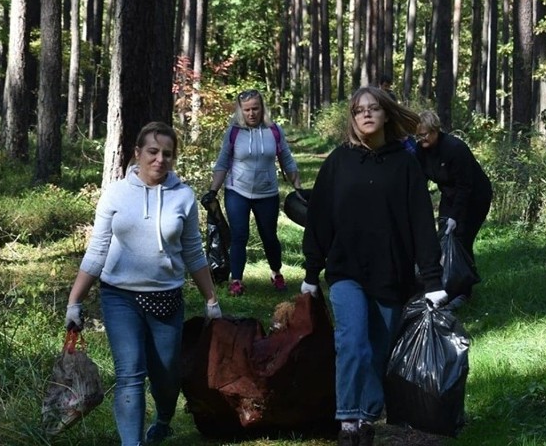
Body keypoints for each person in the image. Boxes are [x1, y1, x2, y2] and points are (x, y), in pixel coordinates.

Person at [300, 87, 447, 446]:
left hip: (391, 272)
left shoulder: (406, 163)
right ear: (352, 119)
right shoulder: (338, 162)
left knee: (378, 350)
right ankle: (347, 421)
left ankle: (367, 417)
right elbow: (320, 218)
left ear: (385, 115)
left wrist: (432, 280)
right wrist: (310, 273)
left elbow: (421, 222)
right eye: (358, 110)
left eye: (373, 109)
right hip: (345, 269)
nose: (366, 115)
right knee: (352, 342)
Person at [64, 121, 222, 446]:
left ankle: (163, 418)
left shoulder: (184, 196)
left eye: (167, 153)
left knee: (165, 376)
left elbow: (193, 252)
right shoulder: (116, 194)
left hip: (166, 298)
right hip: (119, 297)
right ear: (138, 153)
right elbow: (97, 251)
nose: (159, 159)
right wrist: (74, 301)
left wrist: (211, 300)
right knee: (130, 374)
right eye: (152, 151)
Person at [205, 89, 302, 296]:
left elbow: (286, 157)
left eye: (255, 108)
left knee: (269, 236)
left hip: (267, 193)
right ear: (240, 111)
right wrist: (213, 190)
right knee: (239, 236)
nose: (251, 113)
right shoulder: (233, 132)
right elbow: (223, 161)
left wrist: (298, 186)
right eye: (247, 109)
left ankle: (276, 273)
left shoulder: (274, 131)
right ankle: (237, 280)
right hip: (237, 191)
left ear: (262, 108)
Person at [415, 110, 493, 309]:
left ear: (435, 131)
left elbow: (465, 186)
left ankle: (464, 291)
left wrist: (456, 216)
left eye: (424, 134)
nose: (421, 139)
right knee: (443, 239)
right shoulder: (420, 151)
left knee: (461, 240)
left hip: (475, 197)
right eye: (418, 135)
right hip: (450, 194)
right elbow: (419, 180)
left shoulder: (455, 148)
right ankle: (446, 285)